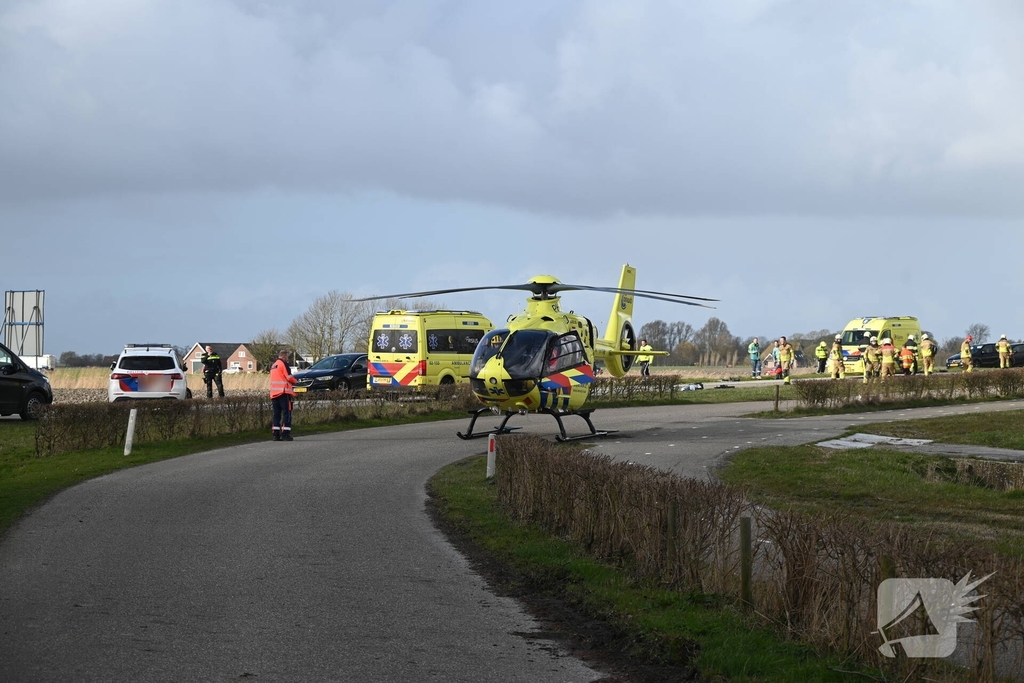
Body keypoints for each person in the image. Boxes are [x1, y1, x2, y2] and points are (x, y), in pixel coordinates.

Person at [270, 350, 297, 441]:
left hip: (274, 394)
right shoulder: (283, 364)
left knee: (276, 414)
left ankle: (275, 434)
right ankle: (285, 434)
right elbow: (289, 377)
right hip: (283, 392)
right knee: (287, 413)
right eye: (287, 357)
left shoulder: (273, 365)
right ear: (284, 356)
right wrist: (297, 382)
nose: (288, 359)